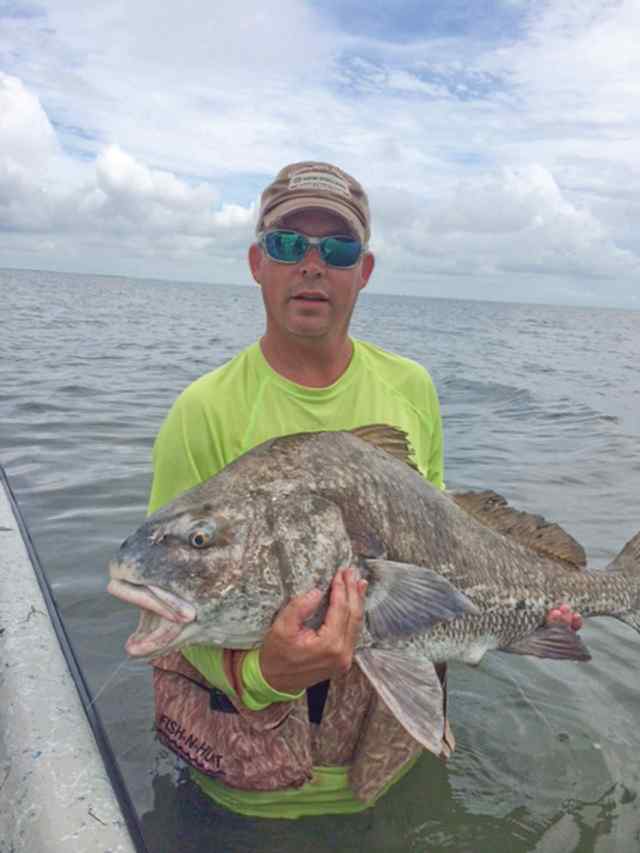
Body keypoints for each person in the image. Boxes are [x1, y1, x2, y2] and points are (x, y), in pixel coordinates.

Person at [147, 162, 582, 819]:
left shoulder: (411, 389)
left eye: (339, 248)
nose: (313, 264)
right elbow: (173, 602)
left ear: (365, 270)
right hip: (245, 791)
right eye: (289, 243)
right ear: (258, 262)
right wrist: (264, 673)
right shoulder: (201, 412)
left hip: (391, 767)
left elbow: (447, 546)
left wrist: (533, 614)